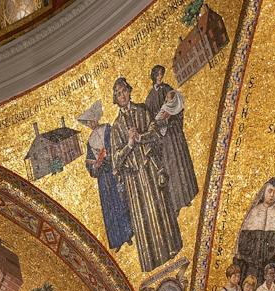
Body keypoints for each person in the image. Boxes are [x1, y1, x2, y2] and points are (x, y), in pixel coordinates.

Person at [111, 77, 183, 271]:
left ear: (129, 91)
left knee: (160, 207)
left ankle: (171, 248)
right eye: (118, 94)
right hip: (134, 179)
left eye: (124, 90)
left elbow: (155, 133)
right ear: (115, 99)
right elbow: (115, 160)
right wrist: (129, 145)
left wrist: (140, 137)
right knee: (143, 215)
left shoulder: (142, 111)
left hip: (150, 169)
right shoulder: (116, 127)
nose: (122, 95)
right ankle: (151, 260)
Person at [144, 65, 199, 211]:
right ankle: (176, 201)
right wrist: (159, 122)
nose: (160, 77)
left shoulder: (168, 88)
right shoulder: (149, 97)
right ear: (154, 76)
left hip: (174, 133)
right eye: (158, 75)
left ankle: (187, 195)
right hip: (164, 140)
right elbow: (150, 120)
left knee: (181, 162)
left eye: (162, 74)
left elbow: (178, 106)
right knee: (170, 167)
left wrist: (171, 116)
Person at [80, 103, 132, 251]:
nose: (90, 124)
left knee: (121, 201)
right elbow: (89, 162)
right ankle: (116, 240)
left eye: (91, 120)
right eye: (87, 122)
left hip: (113, 171)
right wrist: (95, 165)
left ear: (96, 118)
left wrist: (107, 155)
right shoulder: (89, 141)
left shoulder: (107, 129)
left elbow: (115, 145)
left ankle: (128, 233)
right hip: (103, 177)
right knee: (109, 208)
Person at [234, 177, 275, 288]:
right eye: (270, 191)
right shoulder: (254, 211)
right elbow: (243, 242)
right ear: (264, 192)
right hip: (250, 264)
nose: (272, 195)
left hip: (267, 267)